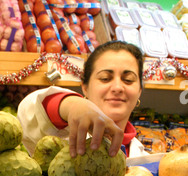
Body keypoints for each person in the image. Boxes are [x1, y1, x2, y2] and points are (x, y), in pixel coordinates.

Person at [17, 40, 149, 159]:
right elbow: (29, 112)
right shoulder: (63, 136)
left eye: (128, 80)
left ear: (139, 91)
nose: (117, 87)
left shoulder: (149, 161)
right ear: (85, 87)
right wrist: (72, 105)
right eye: (105, 78)